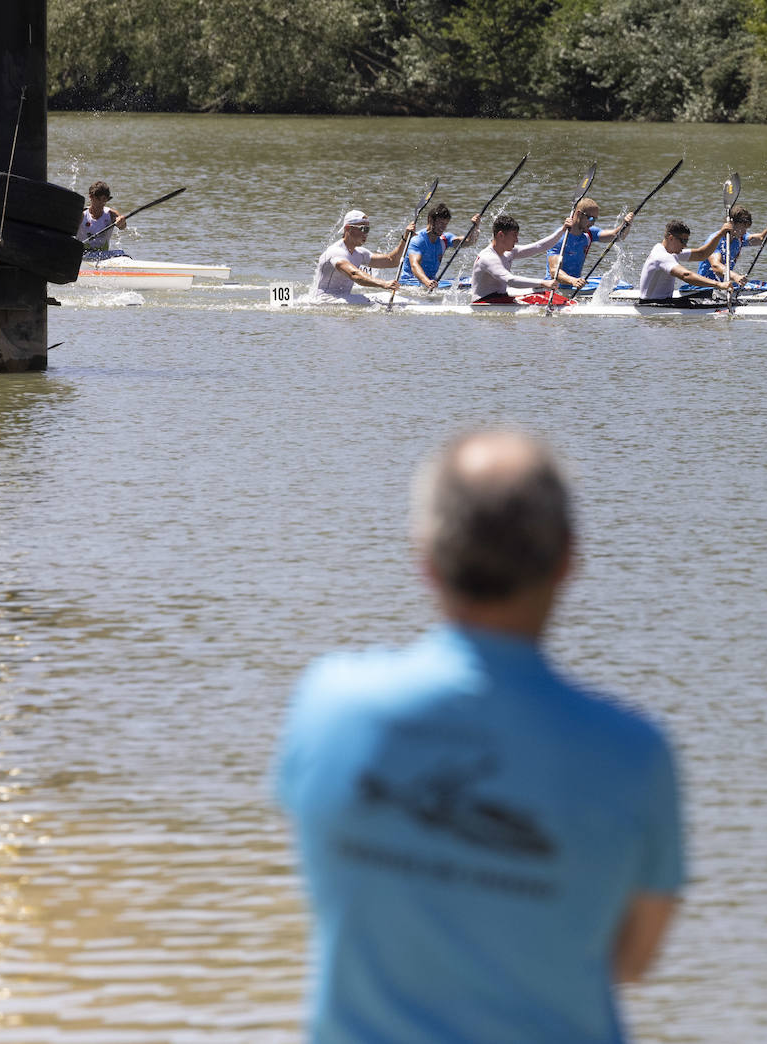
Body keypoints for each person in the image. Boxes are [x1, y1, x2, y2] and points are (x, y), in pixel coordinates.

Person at [278, 429, 685, 1044]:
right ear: (569, 560)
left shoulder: (330, 705)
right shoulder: (635, 752)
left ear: (426, 558)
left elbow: (331, 884)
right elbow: (629, 961)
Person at [313, 209, 416, 305]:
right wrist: (383, 283)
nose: (366, 234)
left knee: (385, 297)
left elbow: (392, 261)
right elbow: (354, 274)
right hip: (324, 301)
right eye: (363, 229)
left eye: (368, 229)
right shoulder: (336, 252)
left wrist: (405, 238)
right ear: (348, 229)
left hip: (343, 298)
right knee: (382, 298)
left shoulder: (360, 253)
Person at [471, 214, 581, 303]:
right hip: (484, 302)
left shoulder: (508, 253)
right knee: (540, 293)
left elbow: (540, 246)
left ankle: (569, 304)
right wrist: (543, 282)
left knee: (542, 293)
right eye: (514, 235)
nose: (517, 240)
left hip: (500, 298)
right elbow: (511, 280)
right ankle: (568, 306)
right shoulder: (489, 258)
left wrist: (562, 230)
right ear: (501, 235)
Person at [636, 219, 735, 302]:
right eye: (683, 241)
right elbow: (686, 275)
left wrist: (720, 234)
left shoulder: (668, 251)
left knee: (707, 294)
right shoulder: (662, 256)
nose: (685, 245)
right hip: (653, 305)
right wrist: (719, 284)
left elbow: (701, 254)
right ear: (671, 238)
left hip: (663, 301)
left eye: (686, 241)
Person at [544, 197, 633, 286]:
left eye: (595, 219)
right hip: (554, 287)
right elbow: (554, 271)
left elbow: (616, 236)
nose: (593, 223)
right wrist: (572, 281)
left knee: (619, 284)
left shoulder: (589, 234)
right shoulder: (559, 238)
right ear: (579, 214)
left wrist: (625, 224)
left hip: (576, 284)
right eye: (591, 219)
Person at [400, 203, 482, 290]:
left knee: (474, 281)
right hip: (410, 284)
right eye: (441, 223)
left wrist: (475, 227)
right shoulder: (418, 240)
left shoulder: (444, 239)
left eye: (446, 224)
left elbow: (469, 241)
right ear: (431, 220)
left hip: (431, 283)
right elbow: (414, 265)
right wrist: (427, 282)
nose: (443, 227)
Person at [692, 206, 767, 285]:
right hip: (705, 286)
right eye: (743, 227)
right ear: (732, 224)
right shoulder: (716, 240)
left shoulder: (739, 238)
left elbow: (764, 239)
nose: (745, 231)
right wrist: (736, 277)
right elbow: (716, 266)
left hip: (722, 285)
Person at [76, 181, 126, 251]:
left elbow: (123, 227)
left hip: (103, 256)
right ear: (91, 197)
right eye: (98, 199)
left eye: (104, 200)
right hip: (83, 255)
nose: (102, 203)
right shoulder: (82, 215)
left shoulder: (111, 214)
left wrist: (122, 221)